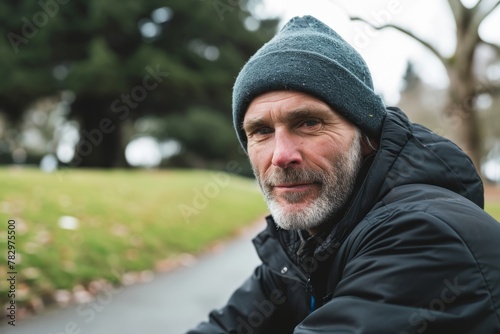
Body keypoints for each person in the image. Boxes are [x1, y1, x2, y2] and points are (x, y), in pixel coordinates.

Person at [187, 15, 500, 333]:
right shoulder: (308, 243)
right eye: (261, 131)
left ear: (367, 138)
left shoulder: (424, 234)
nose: (281, 156)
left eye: (309, 123)